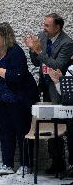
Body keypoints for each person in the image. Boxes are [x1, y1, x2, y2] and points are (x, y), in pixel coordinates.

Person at [0, 22, 39, 176]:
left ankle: (25, 164)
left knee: (22, 131)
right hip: (0, 98)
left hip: (18, 99)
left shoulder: (16, 52)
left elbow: (18, 76)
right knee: (5, 132)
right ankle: (7, 164)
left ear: (4, 37)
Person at [24, 13, 73, 174]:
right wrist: (33, 50)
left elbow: (58, 65)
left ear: (57, 27)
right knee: (50, 124)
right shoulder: (42, 37)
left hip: (59, 90)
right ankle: (55, 162)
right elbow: (37, 62)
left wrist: (38, 52)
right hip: (44, 86)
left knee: (61, 125)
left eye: (47, 25)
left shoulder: (67, 43)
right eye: (44, 24)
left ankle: (66, 164)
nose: (43, 28)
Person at [48, 57, 73, 178]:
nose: (72, 57)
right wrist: (57, 82)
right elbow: (64, 94)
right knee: (71, 134)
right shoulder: (71, 69)